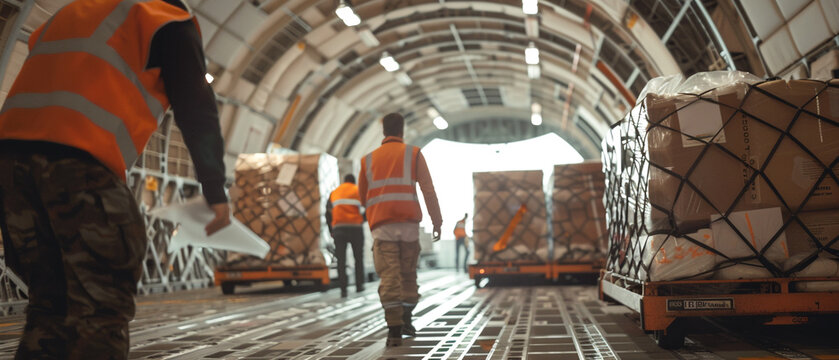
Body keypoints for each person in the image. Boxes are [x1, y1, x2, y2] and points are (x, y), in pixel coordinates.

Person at [0, 0, 230, 358]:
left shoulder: (69, 13)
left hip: (10, 169)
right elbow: (196, 106)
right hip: (77, 163)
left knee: (49, 306)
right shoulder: (164, 19)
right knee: (101, 307)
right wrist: (215, 190)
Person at [358, 113, 442, 347]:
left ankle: (394, 329)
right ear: (402, 130)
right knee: (408, 275)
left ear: (383, 131)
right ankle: (407, 319)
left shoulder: (367, 160)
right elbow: (428, 190)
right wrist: (437, 221)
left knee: (389, 276)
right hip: (409, 225)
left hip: (383, 226)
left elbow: (362, 197)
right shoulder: (413, 154)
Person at [325, 174, 366, 298]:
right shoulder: (358, 190)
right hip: (356, 228)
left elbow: (327, 213)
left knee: (341, 260)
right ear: (353, 181)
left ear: (344, 181)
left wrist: (331, 230)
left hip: (339, 229)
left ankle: (343, 289)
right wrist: (361, 220)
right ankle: (359, 286)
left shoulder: (335, 192)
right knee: (358, 258)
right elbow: (367, 209)